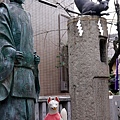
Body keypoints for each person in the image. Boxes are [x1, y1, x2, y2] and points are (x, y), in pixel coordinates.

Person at [0, 0, 40, 119]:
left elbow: (28, 43)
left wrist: (33, 59)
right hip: (12, 77)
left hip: (28, 79)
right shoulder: (4, 10)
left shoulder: (27, 15)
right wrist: (10, 53)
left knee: (29, 114)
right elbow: (2, 39)